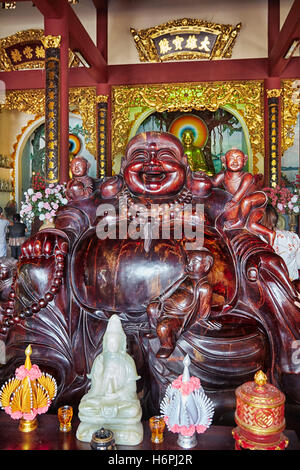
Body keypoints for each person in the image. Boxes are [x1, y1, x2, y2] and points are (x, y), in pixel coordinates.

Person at [76, 314, 143, 445]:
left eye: (115, 341)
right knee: (84, 408)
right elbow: (95, 390)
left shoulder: (127, 361)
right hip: (101, 400)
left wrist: (116, 396)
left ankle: (97, 429)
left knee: (132, 410)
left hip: (120, 402)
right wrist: (99, 374)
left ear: (121, 342)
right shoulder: (99, 360)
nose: (112, 344)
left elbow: (132, 390)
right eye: (110, 341)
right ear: (105, 342)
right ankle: (121, 432)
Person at [147, 248, 221, 359]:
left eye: (194, 261)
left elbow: (203, 311)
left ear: (206, 266)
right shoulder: (185, 278)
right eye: (188, 260)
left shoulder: (204, 287)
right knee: (151, 308)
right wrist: (160, 299)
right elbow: (171, 290)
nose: (189, 264)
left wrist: (205, 320)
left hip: (179, 316)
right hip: (166, 307)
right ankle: (154, 331)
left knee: (163, 327)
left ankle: (167, 345)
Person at [210, 148, 275, 244]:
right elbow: (212, 183)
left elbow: (241, 192)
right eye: (232, 158)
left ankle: (240, 221)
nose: (235, 161)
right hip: (247, 208)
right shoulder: (223, 175)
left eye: (239, 158)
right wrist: (201, 177)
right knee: (251, 225)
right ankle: (270, 233)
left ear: (244, 161)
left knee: (246, 201)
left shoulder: (247, 176)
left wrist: (233, 202)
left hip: (257, 198)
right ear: (224, 161)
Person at [260, 204, 300, 281]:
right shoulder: (292, 237)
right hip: (290, 285)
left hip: (266, 287)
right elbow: (299, 263)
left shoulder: (255, 239)